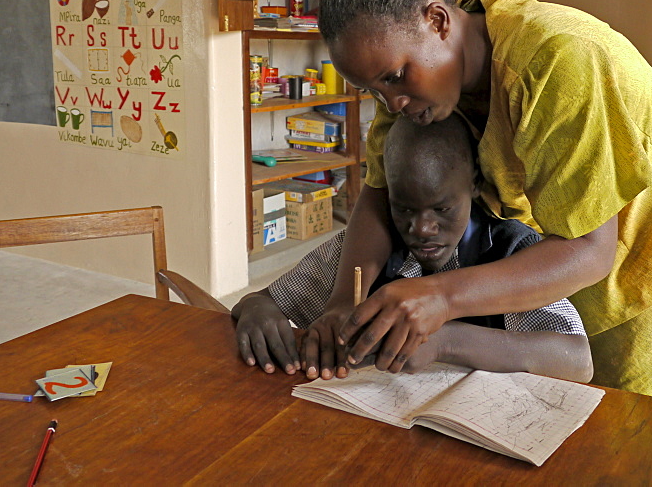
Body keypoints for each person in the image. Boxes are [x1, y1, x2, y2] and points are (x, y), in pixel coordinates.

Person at [309, 0, 652, 485]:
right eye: (371, 90)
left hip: (651, 253)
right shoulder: (414, 83)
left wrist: (441, 297)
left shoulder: (559, 60)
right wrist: (346, 300)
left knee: (647, 438)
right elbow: (376, 191)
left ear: (438, 20)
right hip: (555, 248)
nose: (389, 103)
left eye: (393, 78)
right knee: (557, 425)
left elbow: (590, 250)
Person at [232, 114, 593, 383]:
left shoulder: (510, 253)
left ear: (475, 186)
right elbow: (262, 299)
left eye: (442, 209)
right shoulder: (365, 254)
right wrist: (254, 308)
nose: (421, 229)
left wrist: (445, 342)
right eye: (403, 208)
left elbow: (577, 361)